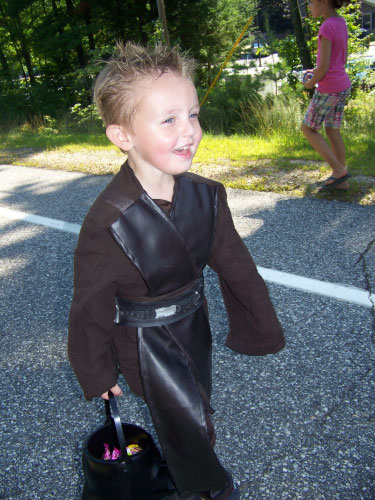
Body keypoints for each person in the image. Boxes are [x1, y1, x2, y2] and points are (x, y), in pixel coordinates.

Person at [68, 42, 285, 500]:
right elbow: (90, 304)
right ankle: (209, 488)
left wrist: (261, 326)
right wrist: (95, 368)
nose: (189, 131)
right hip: (145, 344)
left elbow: (236, 266)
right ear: (122, 135)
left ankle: (192, 462)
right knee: (188, 422)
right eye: (168, 120)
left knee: (196, 405)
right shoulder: (109, 221)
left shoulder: (206, 196)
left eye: (193, 114)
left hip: (193, 325)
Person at [301, 0, 352, 191]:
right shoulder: (340, 22)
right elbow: (341, 60)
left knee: (307, 129)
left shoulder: (326, 27)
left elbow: (323, 68)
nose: (309, 6)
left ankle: (339, 171)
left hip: (329, 88)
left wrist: (309, 83)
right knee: (332, 130)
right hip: (342, 85)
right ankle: (342, 181)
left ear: (323, 2)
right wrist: (317, 71)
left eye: (311, 2)